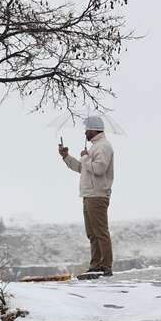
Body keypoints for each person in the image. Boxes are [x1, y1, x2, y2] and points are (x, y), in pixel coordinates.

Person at [58, 116, 115, 276]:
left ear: (94, 129)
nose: (85, 132)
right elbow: (82, 168)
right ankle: (96, 265)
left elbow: (99, 169)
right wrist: (66, 157)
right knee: (92, 233)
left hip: (97, 195)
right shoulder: (95, 147)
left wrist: (84, 157)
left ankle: (105, 266)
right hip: (89, 194)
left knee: (100, 232)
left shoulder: (103, 146)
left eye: (87, 129)